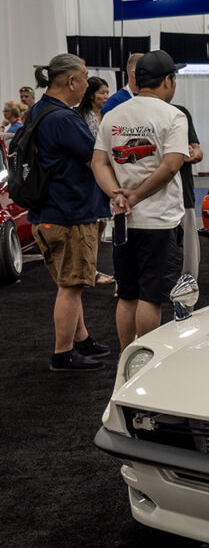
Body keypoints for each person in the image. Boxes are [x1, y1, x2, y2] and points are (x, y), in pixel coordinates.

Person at [92, 50, 189, 351]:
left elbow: (98, 162)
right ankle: (145, 360)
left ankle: (126, 356)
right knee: (150, 297)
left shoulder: (113, 114)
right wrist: (136, 195)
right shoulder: (173, 115)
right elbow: (172, 165)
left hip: (124, 220)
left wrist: (116, 195)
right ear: (168, 81)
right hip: (159, 221)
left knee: (127, 295)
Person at [26, 53, 111, 371]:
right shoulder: (63, 118)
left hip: (49, 212)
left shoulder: (39, 110)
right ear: (72, 81)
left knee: (71, 282)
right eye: (85, 77)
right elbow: (95, 160)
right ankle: (63, 353)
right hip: (68, 214)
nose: (89, 84)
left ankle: (82, 339)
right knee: (71, 287)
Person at [76, 76, 115, 285]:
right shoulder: (80, 116)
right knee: (88, 227)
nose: (106, 96)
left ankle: (91, 267)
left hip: (105, 174)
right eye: (102, 92)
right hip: (86, 177)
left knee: (100, 223)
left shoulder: (108, 116)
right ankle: (86, 269)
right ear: (91, 94)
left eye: (107, 92)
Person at [172, 104, 203, 279]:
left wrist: (192, 153)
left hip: (184, 195)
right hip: (150, 197)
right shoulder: (137, 114)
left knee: (188, 256)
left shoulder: (180, 113)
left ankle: (187, 290)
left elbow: (198, 152)